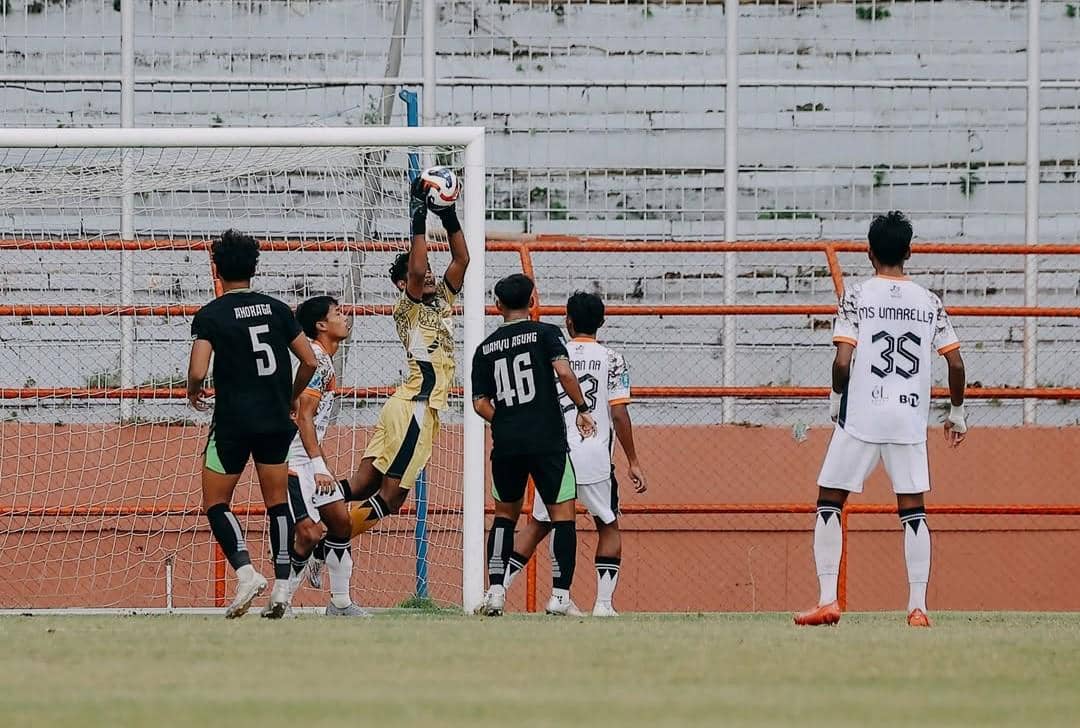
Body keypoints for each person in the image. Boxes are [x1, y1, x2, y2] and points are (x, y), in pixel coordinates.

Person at [795, 211, 967, 628]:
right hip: (908, 418)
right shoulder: (929, 301)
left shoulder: (856, 295)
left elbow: (842, 361)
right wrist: (957, 412)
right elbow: (957, 364)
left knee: (830, 499)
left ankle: (827, 599)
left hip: (864, 415)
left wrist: (838, 398)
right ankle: (918, 607)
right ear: (909, 252)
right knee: (913, 509)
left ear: (868, 252)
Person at [187, 229, 317, 619]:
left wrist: (194, 390)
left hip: (233, 422)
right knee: (277, 504)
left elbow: (197, 369)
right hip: (275, 420)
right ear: (255, 267)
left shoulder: (210, 315)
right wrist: (292, 396)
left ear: (216, 267)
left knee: (215, 502)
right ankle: (281, 590)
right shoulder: (277, 310)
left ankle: (245, 572)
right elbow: (309, 360)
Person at [501, 291, 648, 617]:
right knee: (607, 524)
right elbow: (620, 414)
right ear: (602, 322)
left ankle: (497, 591)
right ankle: (603, 605)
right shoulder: (613, 359)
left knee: (539, 525)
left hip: (553, 454)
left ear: (567, 321)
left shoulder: (553, 353)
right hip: (594, 456)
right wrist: (633, 461)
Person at [472, 274, 597, 617]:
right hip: (547, 440)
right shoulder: (546, 334)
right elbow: (565, 373)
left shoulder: (484, 349)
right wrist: (583, 410)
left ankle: (496, 592)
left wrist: (506, 420)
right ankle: (559, 596)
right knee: (562, 516)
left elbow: (480, 403)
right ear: (533, 301)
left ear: (497, 306)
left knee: (504, 518)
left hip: (507, 443)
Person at [269, 295, 368, 617]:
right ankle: (281, 601)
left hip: (308, 458)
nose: (345, 317)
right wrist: (318, 466)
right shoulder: (316, 359)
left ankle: (340, 603)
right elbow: (304, 417)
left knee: (340, 524)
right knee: (310, 534)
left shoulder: (322, 358)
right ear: (321, 325)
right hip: (294, 462)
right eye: (338, 313)